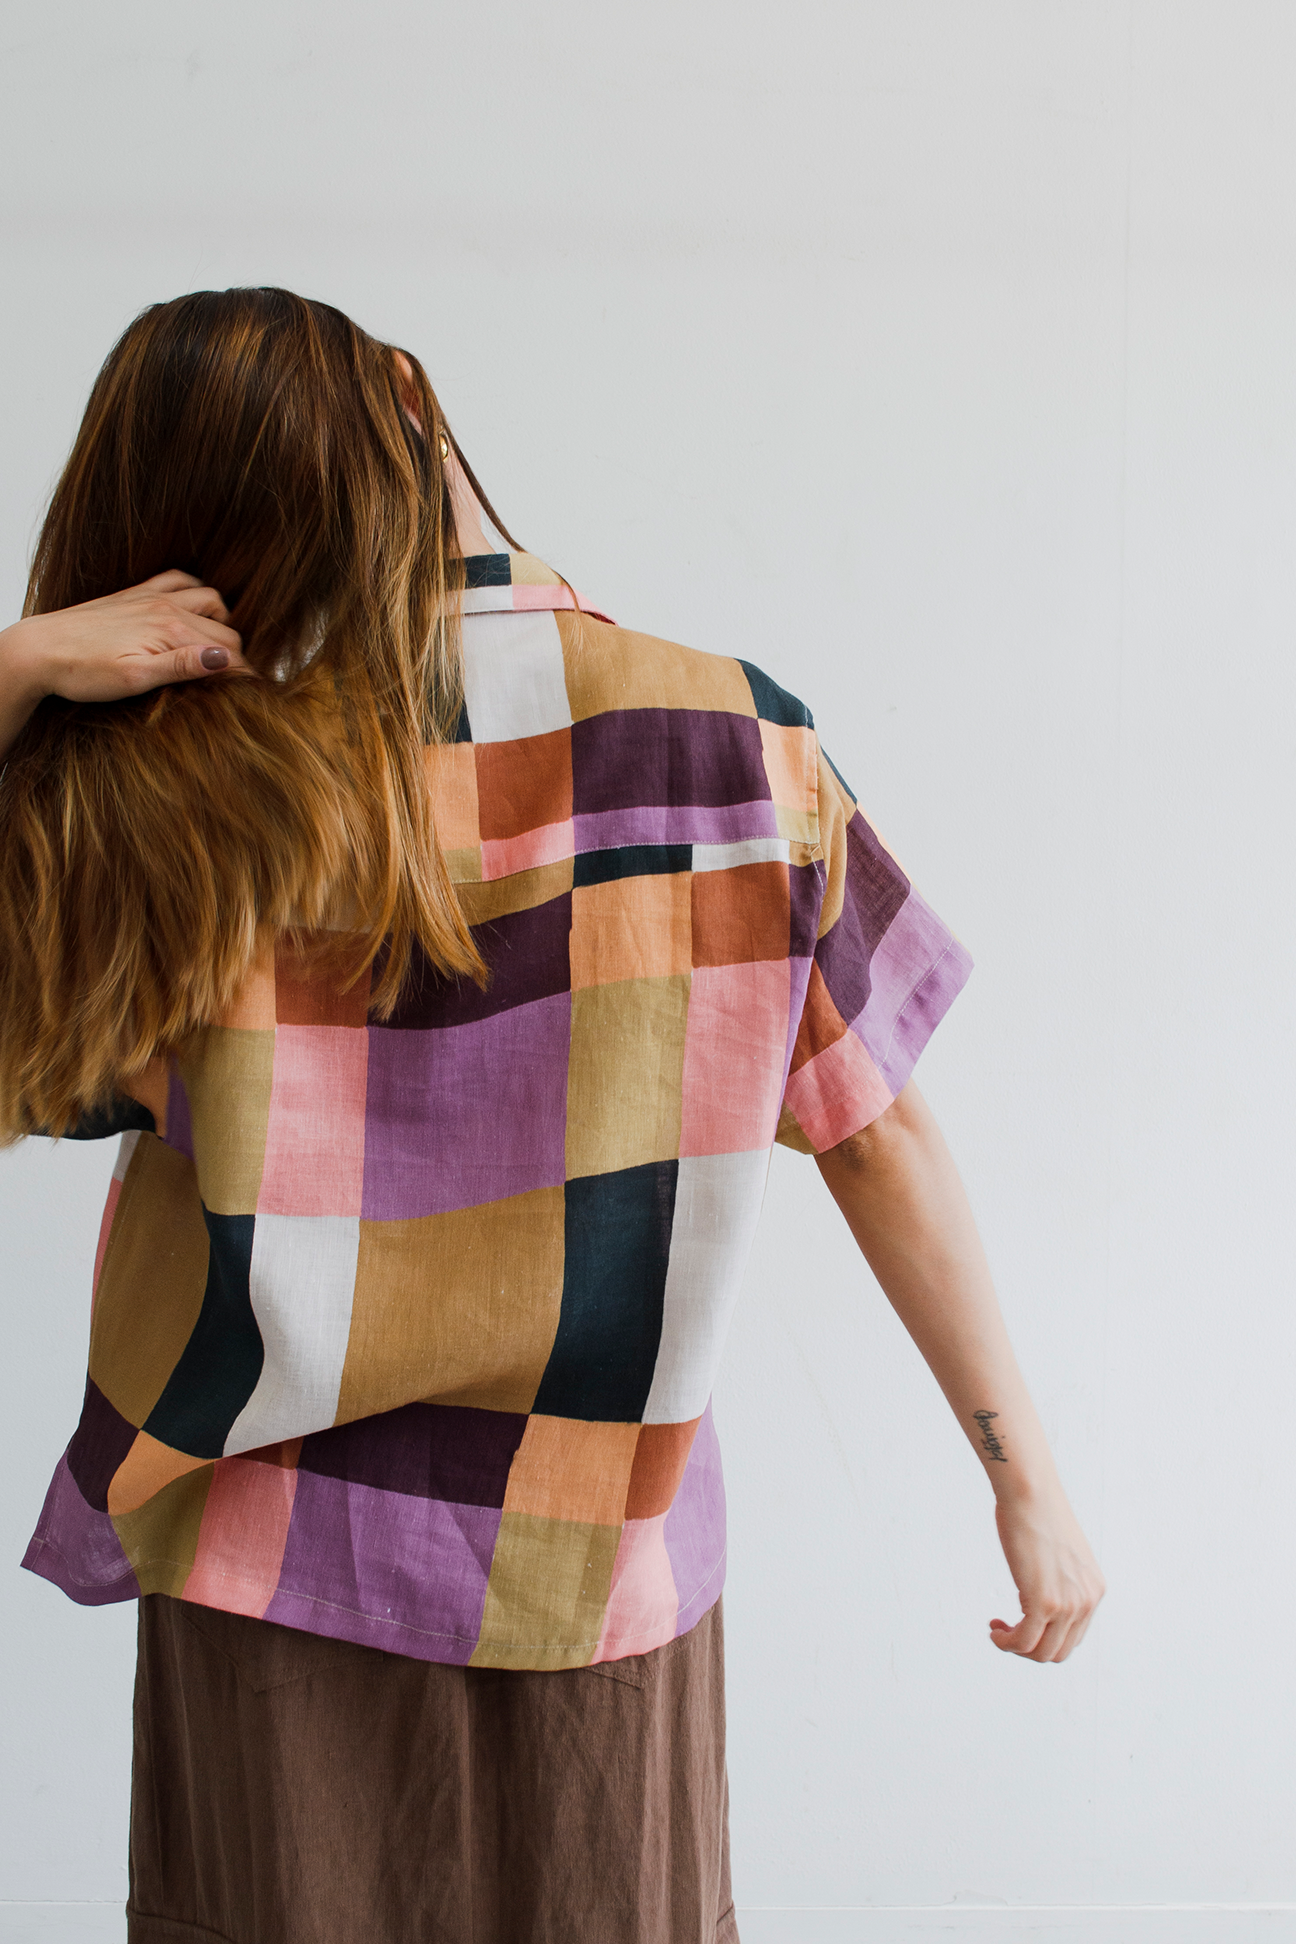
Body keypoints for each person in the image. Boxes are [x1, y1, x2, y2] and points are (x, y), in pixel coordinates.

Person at [0, 287, 1104, 1944]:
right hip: (595, 1570)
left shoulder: (187, 801)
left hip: (264, 1573)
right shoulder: (734, 747)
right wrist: (1026, 1482)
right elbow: (876, 1135)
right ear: (409, 402)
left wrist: (17, 671)